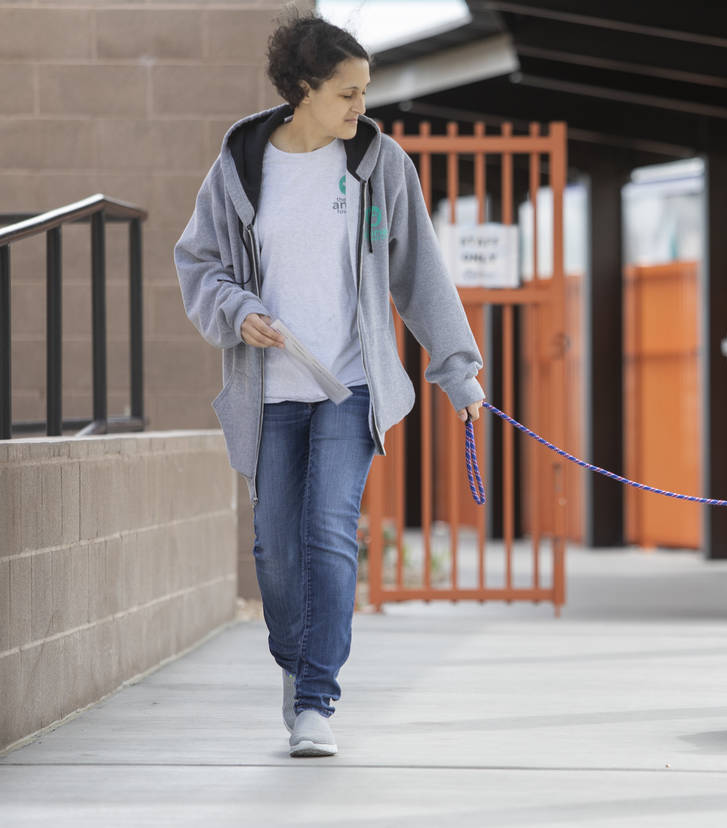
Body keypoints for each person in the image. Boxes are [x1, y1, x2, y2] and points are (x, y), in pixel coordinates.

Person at [174, 11, 485, 758]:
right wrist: (237, 308)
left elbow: (419, 275)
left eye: (365, 92)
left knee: (327, 533)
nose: (361, 108)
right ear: (304, 90)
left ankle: (316, 698)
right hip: (271, 390)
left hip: (349, 388)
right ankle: (297, 662)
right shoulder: (242, 165)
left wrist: (458, 371)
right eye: (347, 94)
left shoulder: (380, 166)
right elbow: (199, 263)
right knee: (275, 550)